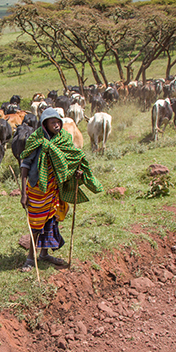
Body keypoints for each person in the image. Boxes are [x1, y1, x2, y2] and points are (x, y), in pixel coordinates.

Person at [19, 108, 103, 272]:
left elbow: (71, 159)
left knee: (51, 221)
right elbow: (25, 166)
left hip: (55, 187)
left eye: (58, 122)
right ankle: (30, 258)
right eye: (53, 122)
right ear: (45, 124)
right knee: (36, 224)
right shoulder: (35, 139)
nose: (57, 125)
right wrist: (23, 193)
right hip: (37, 189)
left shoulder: (64, 139)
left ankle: (44, 254)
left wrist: (77, 172)